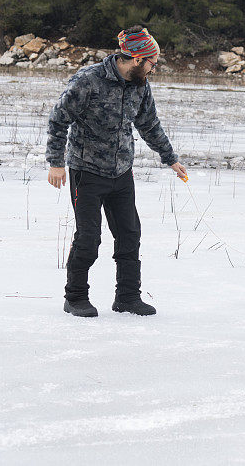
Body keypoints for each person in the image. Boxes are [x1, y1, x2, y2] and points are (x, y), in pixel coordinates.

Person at [46, 26, 188, 318]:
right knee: (88, 239)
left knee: (129, 235)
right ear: (137, 59)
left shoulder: (141, 85)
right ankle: (74, 297)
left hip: (122, 172)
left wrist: (170, 158)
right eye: (152, 62)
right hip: (86, 171)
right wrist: (56, 163)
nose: (154, 68)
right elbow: (59, 119)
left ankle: (127, 298)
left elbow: (149, 124)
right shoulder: (89, 80)